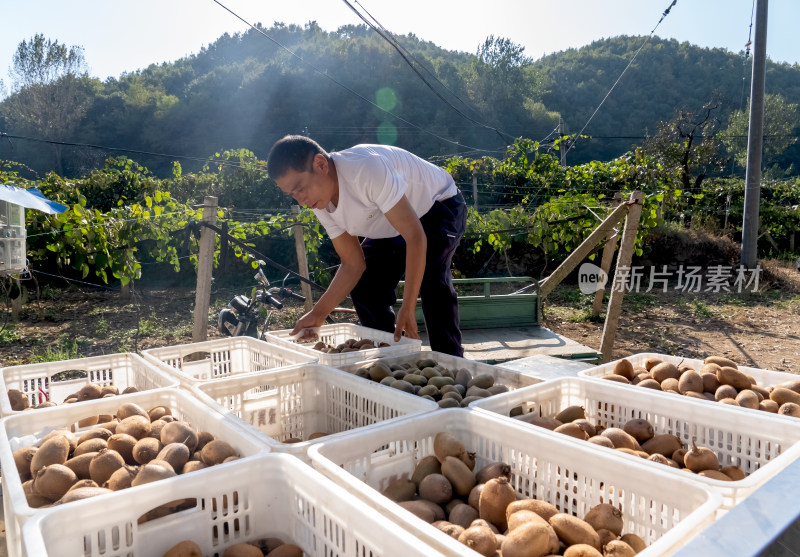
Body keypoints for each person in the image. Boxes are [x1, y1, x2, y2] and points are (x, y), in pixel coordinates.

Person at [267, 135, 467, 357]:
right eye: (291, 194)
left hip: (438, 206)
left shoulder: (365, 170)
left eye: (300, 188)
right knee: (365, 284)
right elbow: (353, 264)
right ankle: (389, 355)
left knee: (431, 280)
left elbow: (416, 237)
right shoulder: (319, 201)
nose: (300, 201)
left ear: (321, 164)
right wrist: (318, 314)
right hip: (391, 221)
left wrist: (408, 307)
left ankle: (452, 363)